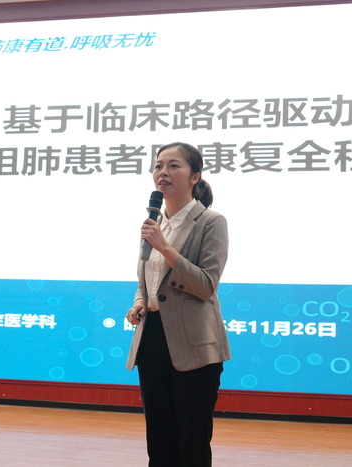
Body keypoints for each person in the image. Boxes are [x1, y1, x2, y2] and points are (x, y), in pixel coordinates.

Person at [126, 142, 231, 467]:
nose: (163, 172)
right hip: (152, 338)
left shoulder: (211, 221)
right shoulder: (155, 222)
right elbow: (147, 277)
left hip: (193, 343)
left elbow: (206, 285)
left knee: (192, 441)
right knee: (159, 439)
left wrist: (165, 247)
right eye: (159, 165)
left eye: (174, 166)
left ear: (194, 176)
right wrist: (140, 301)